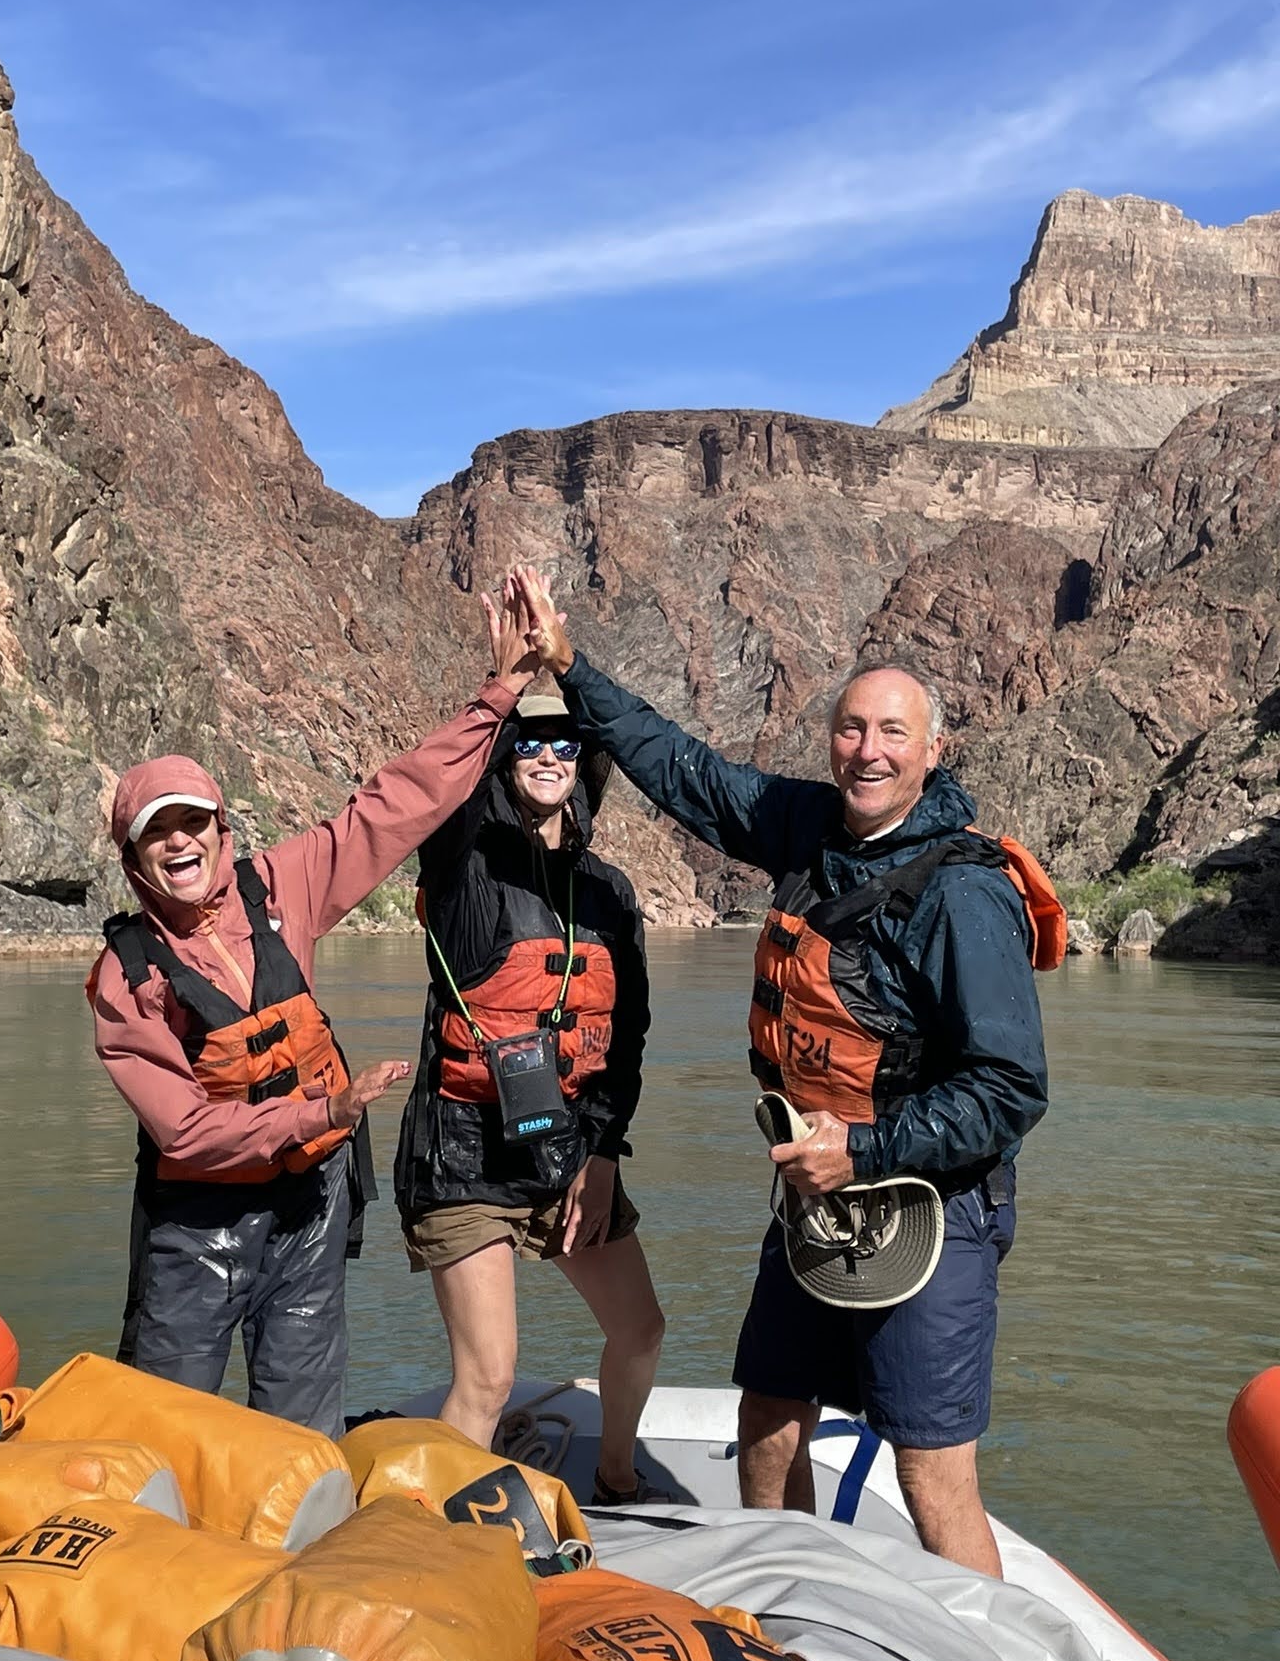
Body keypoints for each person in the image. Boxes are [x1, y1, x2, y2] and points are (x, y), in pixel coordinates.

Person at [511, 564, 1051, 1574]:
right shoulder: (807, 825)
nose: (869, 749)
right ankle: (788, 1618)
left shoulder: (962, 895)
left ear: (936, 750)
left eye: (894, 731)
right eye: (852, 728)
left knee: (934, 1475)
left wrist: (869, 1146)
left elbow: (1012, 1087)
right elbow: (685, 770)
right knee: (768, 1420)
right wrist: (569, 667)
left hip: (933, 1210)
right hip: (818, 1198)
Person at [88, 600, 538, 1439]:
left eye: (195, 822)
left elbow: (392, 808)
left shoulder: (280, 888)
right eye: (159, 833)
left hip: (311, 1204)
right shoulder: (128, 975)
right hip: (197, 1227)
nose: (181, 843)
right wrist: (324, 1113)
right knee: (160, 1430)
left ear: (222, 831)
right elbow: (184, 1132)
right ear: (133, 858)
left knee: (299, 1428)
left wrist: (498, 695)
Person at [395, 590, 665, 1503]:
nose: (548, 757)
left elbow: (625, 1045)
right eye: (531, 744)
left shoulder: (613, 893)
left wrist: (603, 1151)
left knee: (642, 1332)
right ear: (510, 760)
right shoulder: (466, 870)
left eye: (565, 745)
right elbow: (450, 796)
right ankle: (423, 1546)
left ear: (585, 765)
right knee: (488, 1377)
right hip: (466, 1154)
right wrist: (506, 683)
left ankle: (618, 1475)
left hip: (567, 1151)